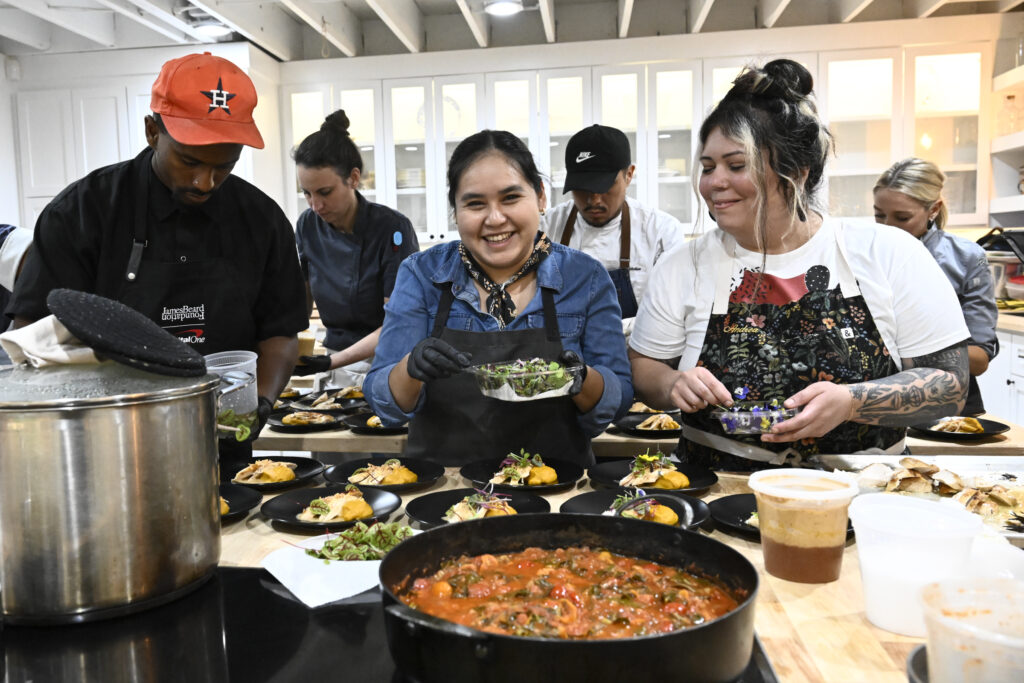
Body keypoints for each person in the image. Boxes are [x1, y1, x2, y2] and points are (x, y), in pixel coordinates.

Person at [629, 59, 970, 471]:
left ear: (796, 172)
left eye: (736, 166)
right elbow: (645, 366)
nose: (714, 182)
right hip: (718, 488)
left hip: (864, 489)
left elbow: (951, 385)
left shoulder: (888, 253)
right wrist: (671, 384)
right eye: (707, 167)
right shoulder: (683, 265)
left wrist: (851, 402)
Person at [5, 52, 308, 451]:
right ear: (152, 131)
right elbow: (30, 336)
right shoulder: (82, 212)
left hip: (223, 442)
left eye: (225, 166)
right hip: (108, 445)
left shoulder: (261, 220)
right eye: (189, 161)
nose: (205, 182)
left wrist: (262, 403)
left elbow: (280, 333)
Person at [364, 130, 633, 466]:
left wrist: (582, 379)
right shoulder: (422, 275)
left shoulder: (586, 278)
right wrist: (410, 368)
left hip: (556, 494)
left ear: (540, 197)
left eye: (510, 198)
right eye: (475, 203)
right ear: (456, 211)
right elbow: (385, 404)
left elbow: (617, 400)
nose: (494, 219)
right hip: (446, 492)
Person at [290, 110, 419, 388]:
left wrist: (332, 362)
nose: (315, 205)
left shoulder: (392, 229)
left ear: (353, 178)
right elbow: (301, 304)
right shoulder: (307, 225)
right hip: (330, 358)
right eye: (306, 193)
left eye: (324, 192)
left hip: (384, 362)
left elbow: (399, 322)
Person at [873, 158, 998, 416]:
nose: (888, 228)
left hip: (950, 406)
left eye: (902, 217)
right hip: (877, 400)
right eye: (879, 215)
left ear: (933, 209)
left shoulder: (966, 258)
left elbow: (978, 360)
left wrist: (901, 351)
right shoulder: (862, 253)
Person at [544, 124, 686, 330]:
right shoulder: (547, 227)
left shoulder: (660, 232)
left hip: (633, 353)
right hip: (563, 353)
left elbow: (669, 314)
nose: (593, 199)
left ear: (629, 174)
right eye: (582, 187)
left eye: (604, 186)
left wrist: (605, 335)